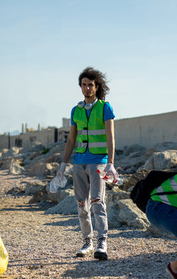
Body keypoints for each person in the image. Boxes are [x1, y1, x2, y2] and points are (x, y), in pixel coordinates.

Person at [57, 67, 116, 260]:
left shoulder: (105, 108)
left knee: (98, 202)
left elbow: (110, 138)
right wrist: (63, 164)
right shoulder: (76, 110)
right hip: (79, 162)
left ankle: (102, 242)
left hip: (98, 162)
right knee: (82, 204)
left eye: (90, 85)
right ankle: (87, 242)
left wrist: (111, 163)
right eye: (84, 85)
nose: (87, 88)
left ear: (96, 86)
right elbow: (71, 140)